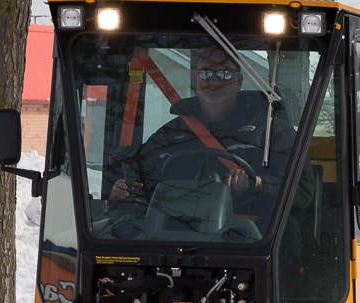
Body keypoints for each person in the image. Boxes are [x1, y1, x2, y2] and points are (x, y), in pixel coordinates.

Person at [110, 45, 302, 224]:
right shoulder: (170, 135)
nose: (214, 82)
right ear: (195, 80)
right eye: (206, 73)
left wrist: (260, 184)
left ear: (239, 81)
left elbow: (304, 190)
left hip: (249, 239)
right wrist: (123, 190)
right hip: (173, 235)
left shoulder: (271, 133)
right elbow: (137, 177)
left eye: (225, 74)